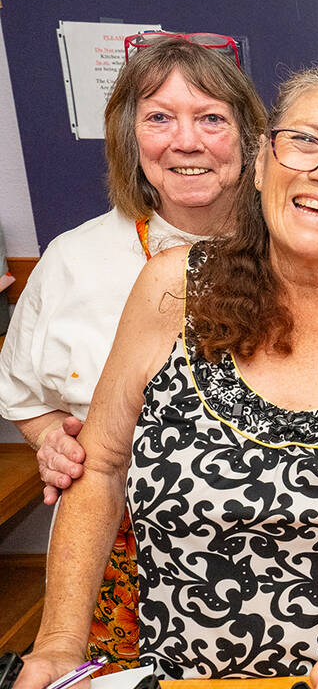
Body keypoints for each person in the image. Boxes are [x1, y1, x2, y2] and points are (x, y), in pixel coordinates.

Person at [15, 68, 318, 687]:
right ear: (260, 164)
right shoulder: (172, 287)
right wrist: (60, 641)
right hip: (191, 673)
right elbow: (102, 464)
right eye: (304, 141)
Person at [0, 33, 266, 668]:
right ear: (129, 138)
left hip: (266, 557)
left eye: (211, 119)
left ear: (251, 138)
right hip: (111, 557)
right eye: (158, 118)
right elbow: (24, 396)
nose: (186, 141)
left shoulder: (299, 253)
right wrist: (50, 441)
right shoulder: (74, 258)